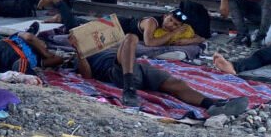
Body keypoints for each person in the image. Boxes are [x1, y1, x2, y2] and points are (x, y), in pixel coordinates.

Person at [69, 33, 249, 114]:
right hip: (116, 72)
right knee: (131, 37)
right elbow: (87, 76)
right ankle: (129, 89)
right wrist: (79, 51)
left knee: (176, 84)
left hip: (137, 67)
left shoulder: (107, 48)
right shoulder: (79, 56)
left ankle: (213, 105)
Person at [0, 23, 64, 74]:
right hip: (10, 49)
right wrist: (46, 53)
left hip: (1, 52)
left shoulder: (38, 61)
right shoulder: (28, 38)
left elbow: (59, 60)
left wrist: (49, 55)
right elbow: (29, 37)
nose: (45, 45)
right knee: (22, 69)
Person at [119, 9, 204, 47]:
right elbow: (149, 43)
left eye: (176, 24)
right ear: (165, 16)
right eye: (170, 20)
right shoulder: (151, 22)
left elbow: (200, 38)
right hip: (119, 25)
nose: (171, 25)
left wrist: (189, 41)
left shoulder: (178, 29)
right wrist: (173, 33)